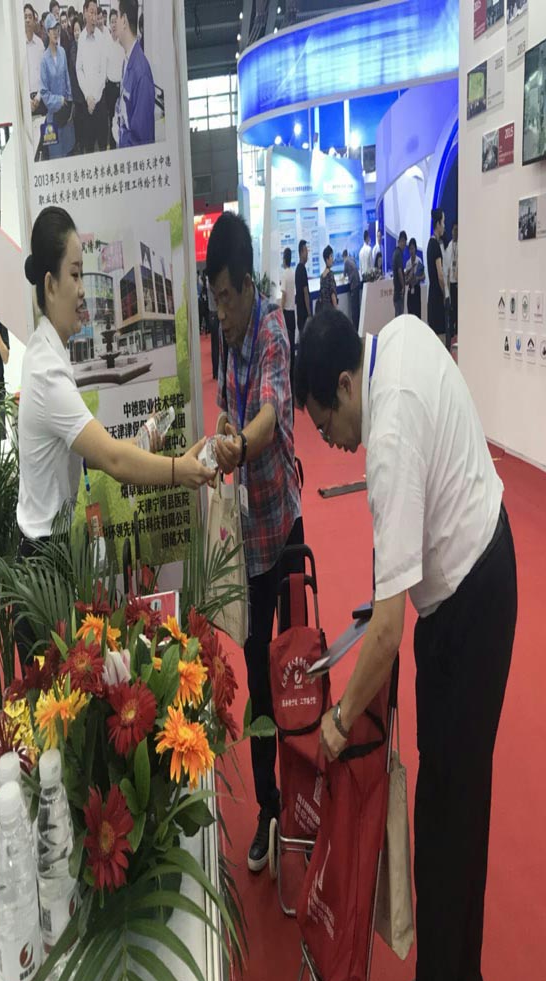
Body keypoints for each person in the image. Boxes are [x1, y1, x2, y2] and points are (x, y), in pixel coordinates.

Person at [296, 309, 517, 981]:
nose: (333, 442)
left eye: (327, 422)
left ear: (346, 384)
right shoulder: (401, 335)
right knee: (466, 804)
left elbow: (387, 630)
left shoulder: (385, 437)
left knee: (443, 822)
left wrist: (337, 721)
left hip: (466, 605)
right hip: (487, 563)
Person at [16, 206, 214, 664]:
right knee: (58, 697)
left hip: (48, 553)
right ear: (50, 284)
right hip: (44, 562)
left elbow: (92, 449)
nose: (83, 289)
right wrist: (179, 471)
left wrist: (144, 442)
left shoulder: (49, 354)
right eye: (74, 275)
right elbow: (113, 460)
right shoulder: (47, 371)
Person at [206, 212, 303, 873]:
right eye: (213, 299)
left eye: (225, 297)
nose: (220, 311)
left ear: (246, 286)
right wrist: (222, 428)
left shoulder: (269, 332)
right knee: (258, 679)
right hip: (247, 539)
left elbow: (267, 415)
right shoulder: (229, 334)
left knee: (296, 671)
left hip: (282, 530)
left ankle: (307, 794)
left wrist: (239, 443)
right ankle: (272, 808)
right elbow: (232, 407)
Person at [115, 0, 156, 148]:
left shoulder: (141, 73)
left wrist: (120, 136)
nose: (114, 24)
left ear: (124, 21)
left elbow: (142, 141)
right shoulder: (127, 60)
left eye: (117, 17)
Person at [40, 13, 75, 159]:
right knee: (55, 158)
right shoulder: (44, 59)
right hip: (52, 117)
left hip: (65, 114)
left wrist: (70, 104)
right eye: (52, 29)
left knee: (68, 153)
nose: (55, 32)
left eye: (57, 29)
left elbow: (67, 79)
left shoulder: (62, 52)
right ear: (48, 32)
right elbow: (44, 93)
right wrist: (59, 100)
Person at [77, 0, 108, 153]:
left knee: (102, 144)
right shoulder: (81, 38)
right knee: (88, 147)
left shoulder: (101, 38)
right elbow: (79, 69)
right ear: (84, 13)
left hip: (99, 102)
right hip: (87, 102)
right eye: (91, 12)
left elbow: (103, 71)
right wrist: (88, 96)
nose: (94, 16)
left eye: (96, 13)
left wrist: (94, 97)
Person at [427, 208, 448, 346]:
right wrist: (445, 294)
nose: (444, 226)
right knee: (441, 340)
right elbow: (440, 275)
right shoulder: (435, 245)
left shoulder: (430, 244)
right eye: (443, 222)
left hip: (431, 298)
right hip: (437, 299)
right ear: (438, 224)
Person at [104, 8, 123, 150]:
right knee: (111, 118)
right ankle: (111, 147)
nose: (114, 24)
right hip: (110, 87)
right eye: (112, 22)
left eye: (116, 21)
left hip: (121, 87)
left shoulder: (123, 43)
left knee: (122, 118)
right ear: (109, 24)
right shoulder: (107, 44)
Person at [24, 3, 47, 121]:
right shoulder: (19, 46)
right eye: (25, 17)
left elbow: (44, 74)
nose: (27, 20)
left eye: (30, 17)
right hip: (24, 102)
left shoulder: (39, 44)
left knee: (42, 131)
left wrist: (38, 97)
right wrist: (27, 100)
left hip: (40, 100)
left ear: (34, 20)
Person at [280, 247, 296, 395]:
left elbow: (283, 295)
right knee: (291, 347)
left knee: (286, 348)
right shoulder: (292, 273)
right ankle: (292, 379)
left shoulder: (285, 274)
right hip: (293, 313)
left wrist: (279, 311)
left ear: (284, 259)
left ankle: (288, 381)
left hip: (286, 313)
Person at [68, 16, 85, 154]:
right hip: (77, 93)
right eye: (74, 30)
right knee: (78, 122)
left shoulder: (86, 46)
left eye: (78, 30)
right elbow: (75, 66)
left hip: (86, 92)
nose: (76, 33)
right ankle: (79, 145)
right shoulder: (73, 47)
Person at [295, 239, 311, 342]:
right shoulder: (302, 269)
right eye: (305, 250)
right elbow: (305, 292)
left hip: (300, 314)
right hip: (304, 315)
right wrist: (309, 313)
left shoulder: (298, 269)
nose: (307, 253)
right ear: (301, 252)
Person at [404, 237, 425, 320]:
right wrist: (411, 270)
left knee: (417, 313)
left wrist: (418, 278)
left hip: (417, 289)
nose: (411, 251)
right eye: (410, 249)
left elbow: (424, 276)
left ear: (415, 249)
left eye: (412, 248)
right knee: (410, 313)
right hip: (410, 289)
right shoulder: (408, 263)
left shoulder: (419, 261)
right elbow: (406, 281)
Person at [445, 223, 458, 338]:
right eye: (454, 230)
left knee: (459, 307)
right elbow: (447, 266)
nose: (455, 232)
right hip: (452, 282)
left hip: (460, 282)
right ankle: (453, 331)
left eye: (457, 230)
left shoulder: (462, 244)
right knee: (452, 307)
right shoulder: (449, 246)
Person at [343, 249, 361, 331]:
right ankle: (359, 325)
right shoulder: (352, 259)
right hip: (358, 283)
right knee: (357, 306)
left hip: (353, 285)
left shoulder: (346, 261)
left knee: (354, 308)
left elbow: (344, 275)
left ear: (343, 256)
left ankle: (355, 327)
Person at [392, 230, 407, 318]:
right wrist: (403, 286)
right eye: (404, 242)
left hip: (396, 290)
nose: (404, 245)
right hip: (399, 291)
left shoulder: (395, 252)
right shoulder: (398, 254)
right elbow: (399, 271)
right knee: (399, 316)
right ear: (401, 241)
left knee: (398, 315)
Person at [319, 244, 338, 310]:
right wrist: (336, 310)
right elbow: (333, 294)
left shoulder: (322, 276)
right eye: (331, 256)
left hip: (324, 310)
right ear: (327, 259)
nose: (332, 259)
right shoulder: (330, 274)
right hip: (331, 310)